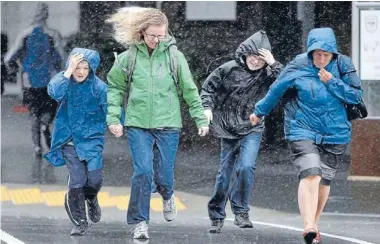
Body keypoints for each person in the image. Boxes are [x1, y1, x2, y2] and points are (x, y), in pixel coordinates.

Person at [250, 27, 363, 244]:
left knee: (324, 181)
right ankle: (308, 225)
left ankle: (314, 225)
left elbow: (356, 96)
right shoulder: (298, 64)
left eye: (326, 55)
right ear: (310, 52)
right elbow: (277, 89)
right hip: (302, 128)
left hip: (335, 131)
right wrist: (259, 111)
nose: (321, 58)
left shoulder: (343, 65)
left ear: (334, 54)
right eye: (317, 54)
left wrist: (332, 81)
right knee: (311, 173)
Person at [106, 7, 209, 240]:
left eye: (161, 35)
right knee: (142, 172)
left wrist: (200, 118)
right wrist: (114, 118)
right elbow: (115, 88)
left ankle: (167, 193)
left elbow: (189, 90)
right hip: (137, 124)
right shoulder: (128, 58)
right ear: (142, 32)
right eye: (152, 35)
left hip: (168, 124)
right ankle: (139, 222)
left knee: (164, 175)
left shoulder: (174, 57)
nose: (156, 39)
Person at [200, 30, 283, 233]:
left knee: (246, 167)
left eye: (260, 58)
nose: (255, 61)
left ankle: (241, 211)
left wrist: (273, 63)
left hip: (253, 126)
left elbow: (286, 82)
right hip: (227, 126)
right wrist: (207, 108)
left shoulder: (267, 73)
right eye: (253, 56)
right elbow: (208, 88)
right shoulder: (228, 69)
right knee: (225, 174)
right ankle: (217, 215)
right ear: (245, 54)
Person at [44, 48, 107, 236]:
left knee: (94, 180)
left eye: (85, 68)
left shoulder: (99, 87)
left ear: (91, 69)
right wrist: (67, 71)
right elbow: (54, 91)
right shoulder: (66, 82)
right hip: (69, 142)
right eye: (76, 67)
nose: (80, 72)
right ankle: (80, 221)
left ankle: (91, 198)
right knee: (77, 181)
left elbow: (112, 108)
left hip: (92, 141)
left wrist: (116, 123)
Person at [4, 2, 63, 184]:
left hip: (29, 81)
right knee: (48, 110)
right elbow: (63, 57)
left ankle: (37, 146)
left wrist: (20, 68)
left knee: (33, 114)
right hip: (50, 80)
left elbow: (9, 58)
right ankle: (47, 126)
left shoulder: (25, 34)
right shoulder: (53, 34)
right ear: (46, 15)